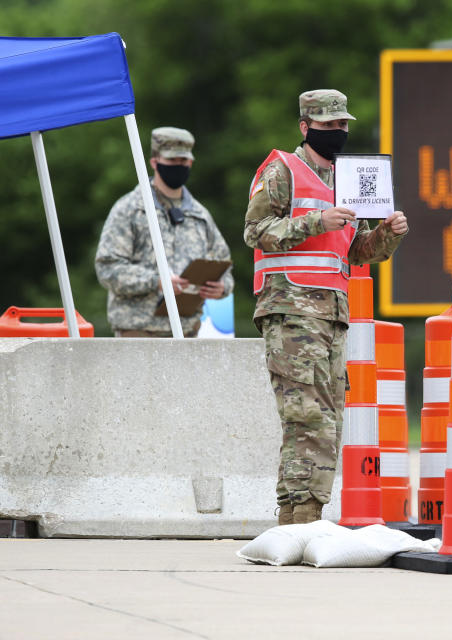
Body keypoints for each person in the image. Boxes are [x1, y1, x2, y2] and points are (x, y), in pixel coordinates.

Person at [244, 89, 408, 526]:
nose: (338, 132)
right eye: (328, 125)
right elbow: (255, 231)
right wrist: (318, 220)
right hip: (290, 309)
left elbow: (355, 251)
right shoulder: (283, 170)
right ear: (305, 126)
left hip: (331, 315)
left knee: (328, 417)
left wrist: (389, 233)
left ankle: (306, 515)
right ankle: (298, 517)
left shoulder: (345, 178)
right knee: (306, 416)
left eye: (342, 125)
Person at [95, 127, 233, 337]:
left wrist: (222, 288)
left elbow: (224, 266)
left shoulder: (200, 215)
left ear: (191, 163)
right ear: (154, 162)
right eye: (172, 161)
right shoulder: (130, 209)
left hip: (187, 332)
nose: (179, 166)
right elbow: (107, 268)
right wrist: (157, 281)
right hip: (138, 331)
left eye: (183, 161)